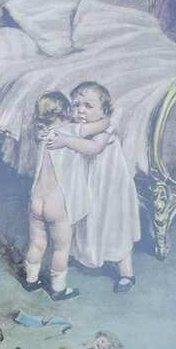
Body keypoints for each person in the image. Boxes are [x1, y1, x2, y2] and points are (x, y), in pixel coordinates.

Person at [46, 81, 140, 293]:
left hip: (110, 191)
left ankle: (126, 273)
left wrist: (66, 141)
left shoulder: (105, 129)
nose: (80, 110)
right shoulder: (78, 128)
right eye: (76, 105)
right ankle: (83, 255)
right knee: (85, 221)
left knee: (114, 227)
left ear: (103, 112)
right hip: (89, 187)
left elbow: (94, 148)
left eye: (88, 106)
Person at [23, 91, 107, 300]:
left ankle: (31, 280)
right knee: (61, 248)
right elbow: (100, 127)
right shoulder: (70, 130)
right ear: (67, 111)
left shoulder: (41, 133)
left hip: (36, 200)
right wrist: (107, 118)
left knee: (37, 243)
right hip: (57, 204)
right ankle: (58, 289)